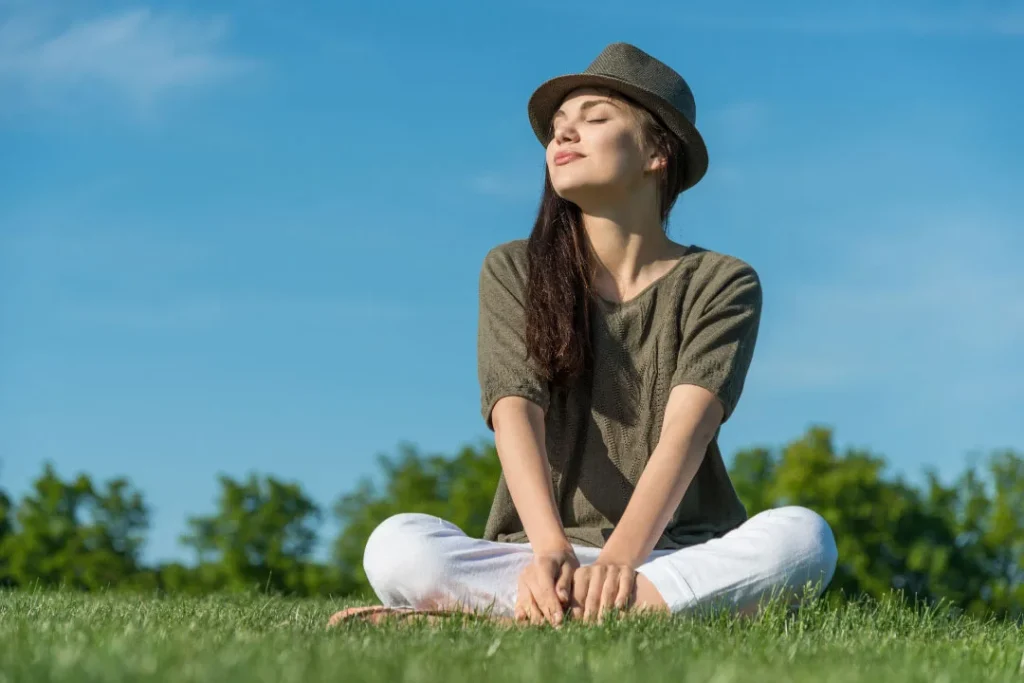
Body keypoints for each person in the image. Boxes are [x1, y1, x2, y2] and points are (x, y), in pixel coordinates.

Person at [328, 42, 837, 628]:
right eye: (557, 130)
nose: (563, 138)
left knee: (803, 539)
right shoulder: (514, 267)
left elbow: (687, 432)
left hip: (667, 556)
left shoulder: (721, 281)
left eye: (594, 120)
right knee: (397, 544)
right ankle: (617, 614)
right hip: (542, 555)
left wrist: (620, 561)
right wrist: (549, 551)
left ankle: (506, 620)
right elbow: (514, 411)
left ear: (657, 154)